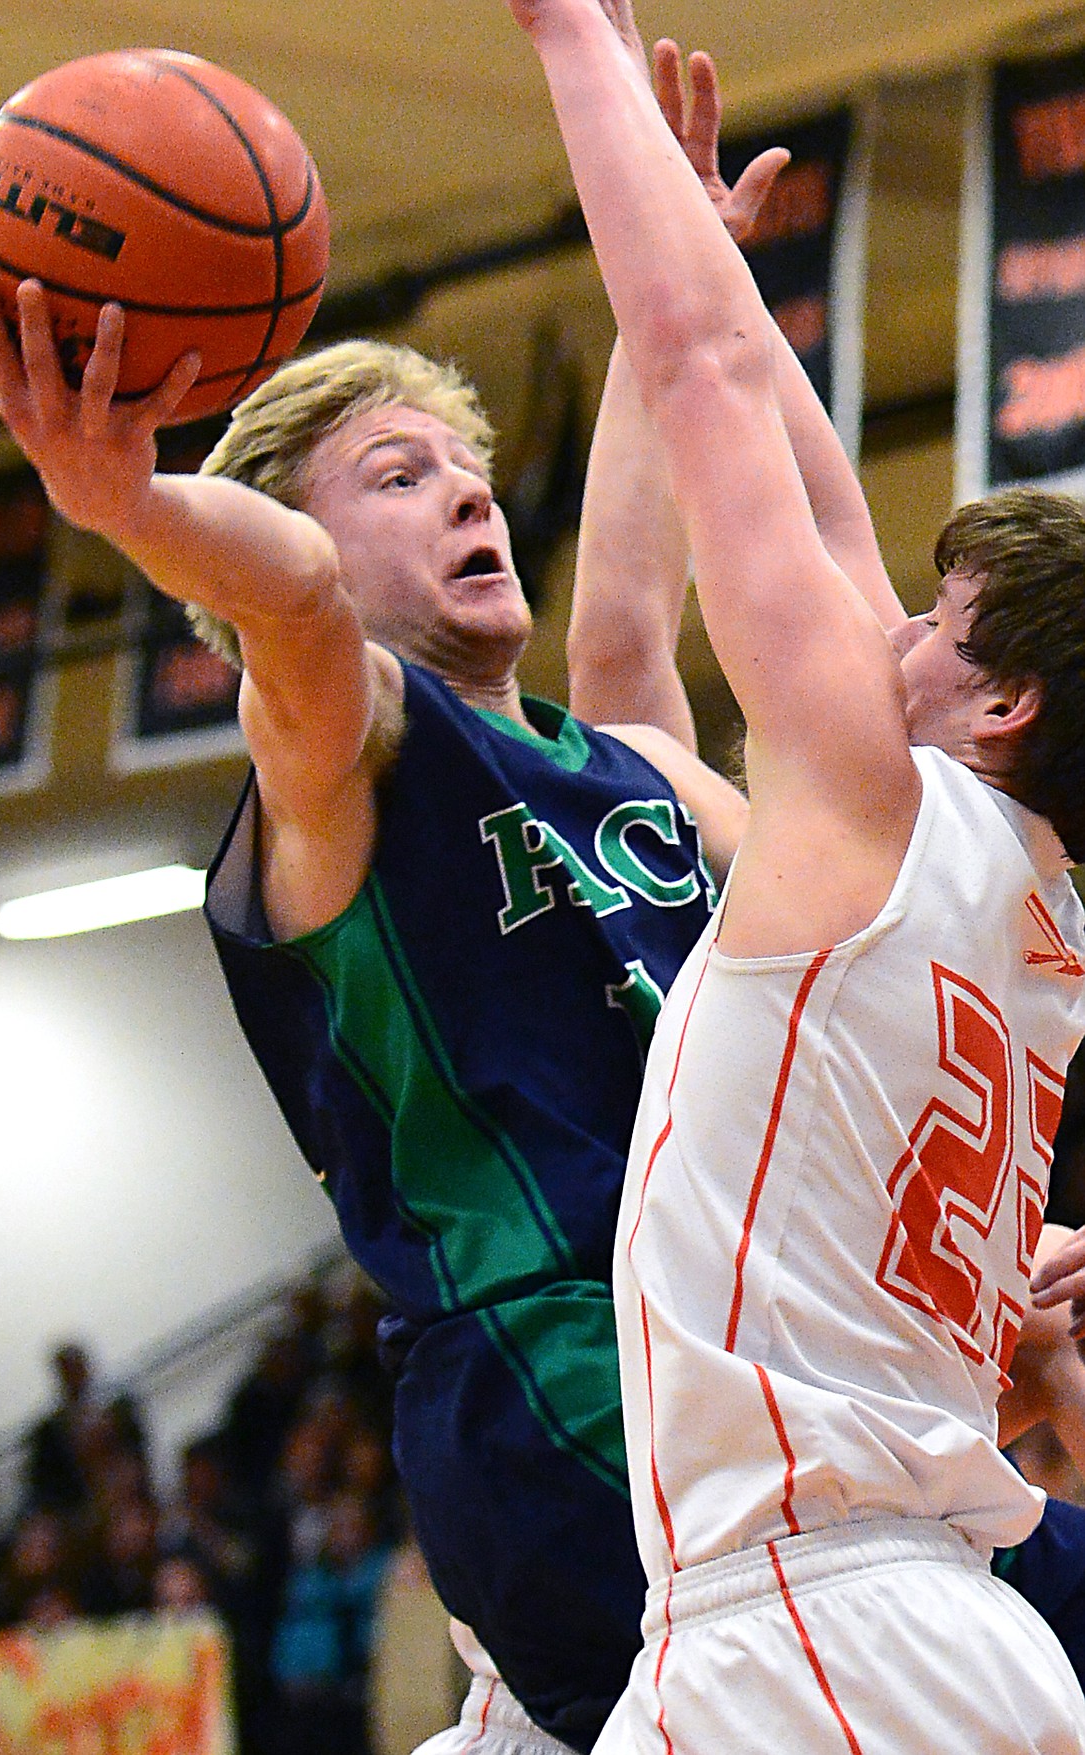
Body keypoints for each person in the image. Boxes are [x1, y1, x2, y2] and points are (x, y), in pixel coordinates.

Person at [0, 69, 1085, 1755]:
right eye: (399, 476)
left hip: (724, 1380)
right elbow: (301, 604)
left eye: (470, 473)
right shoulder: (344, 759)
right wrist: (134, 509)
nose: (468, 497)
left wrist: (672, 276)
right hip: (550, 1377)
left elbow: (627, 617)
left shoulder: (635, 765)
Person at [509, 0, 1085, 1748]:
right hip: (922, 1634)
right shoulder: (1038, 911)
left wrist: (567, 42)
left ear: (998, 702)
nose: (889, 622)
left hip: (808, 1634)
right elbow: (809, 488)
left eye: (937, 622)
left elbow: (699, 376)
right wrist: (695, 232)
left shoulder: (875, 810)